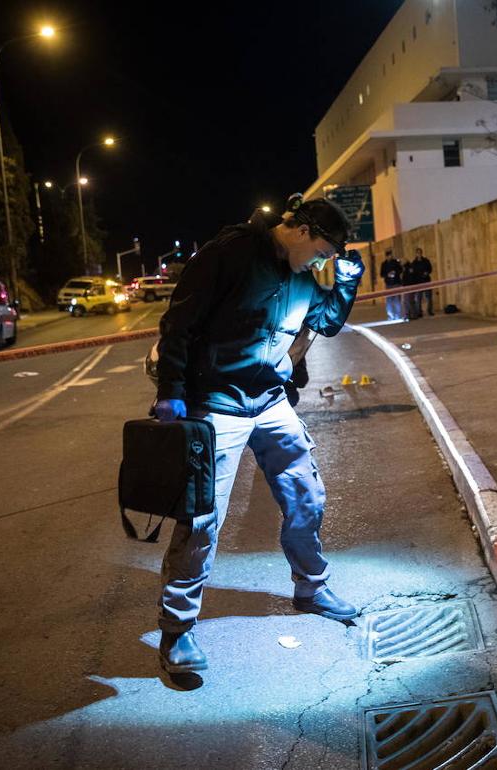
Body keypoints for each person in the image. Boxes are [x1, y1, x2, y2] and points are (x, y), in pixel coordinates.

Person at [151, 196, 365, 675]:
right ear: (304, 231)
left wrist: (346, 286)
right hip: (217, 405)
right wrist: (171, 391)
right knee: (202, 519)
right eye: (325, 252)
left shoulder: (301, 278)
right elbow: (179, 323)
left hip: (270, 401)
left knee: (307, 495)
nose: (324, 262)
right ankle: (178, 631)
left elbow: (325, 324)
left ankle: (311, 586)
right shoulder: (230, 254)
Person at [408, 247, 434, 318]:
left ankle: (430, 310)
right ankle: (419, 312)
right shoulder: (414, 263)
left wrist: (427, 272)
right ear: (416, 254)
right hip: (418, 282)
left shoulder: (426, 261)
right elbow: (412, 272)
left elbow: (430, 269)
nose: (419, 254)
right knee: (419, 298)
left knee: (429, 297)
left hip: (426, 281)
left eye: (420, 253)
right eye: (418, 253)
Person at [379, 249, 403, 320]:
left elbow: (400, 270)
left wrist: (395, 272)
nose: (390, 257)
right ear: (386, 256)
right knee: (389, 300)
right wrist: (387, 274)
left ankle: (398, 315)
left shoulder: (396, 262)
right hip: (388, 284)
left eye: (391, 255)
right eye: (389, 256)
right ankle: (390, 315)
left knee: (396, 300)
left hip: (396, 283)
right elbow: (381, 274)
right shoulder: (384, 264)